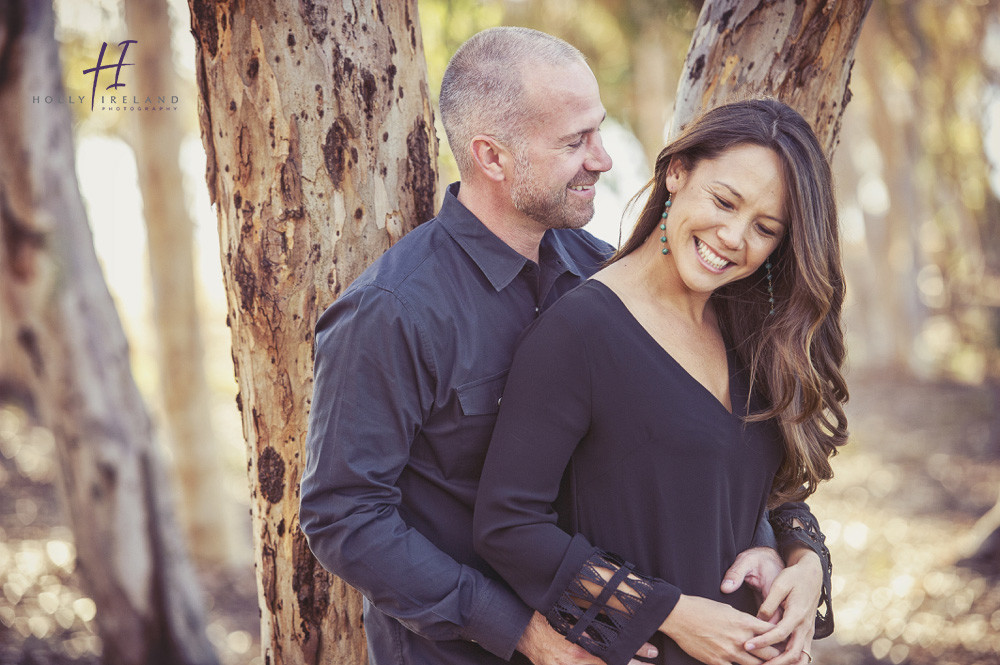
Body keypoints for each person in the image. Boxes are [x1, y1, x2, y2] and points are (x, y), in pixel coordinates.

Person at [300, 26, 829, 665]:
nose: (603, 158)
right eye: (575, 141)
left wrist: (794, 552)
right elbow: (343, 518)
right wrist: (520, 628)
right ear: (493, 157)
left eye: (599, 131)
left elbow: (707, 460)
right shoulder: (394, 311)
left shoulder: (609, 275)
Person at [473, 98, 848, 665]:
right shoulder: (579, 331)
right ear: (677, 172)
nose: (733, 237)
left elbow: (767, 492)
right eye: (724, 201)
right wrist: (670, 612)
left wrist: (804, 564)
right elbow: (508, 526)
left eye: (765, 228)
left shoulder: (751, 330)